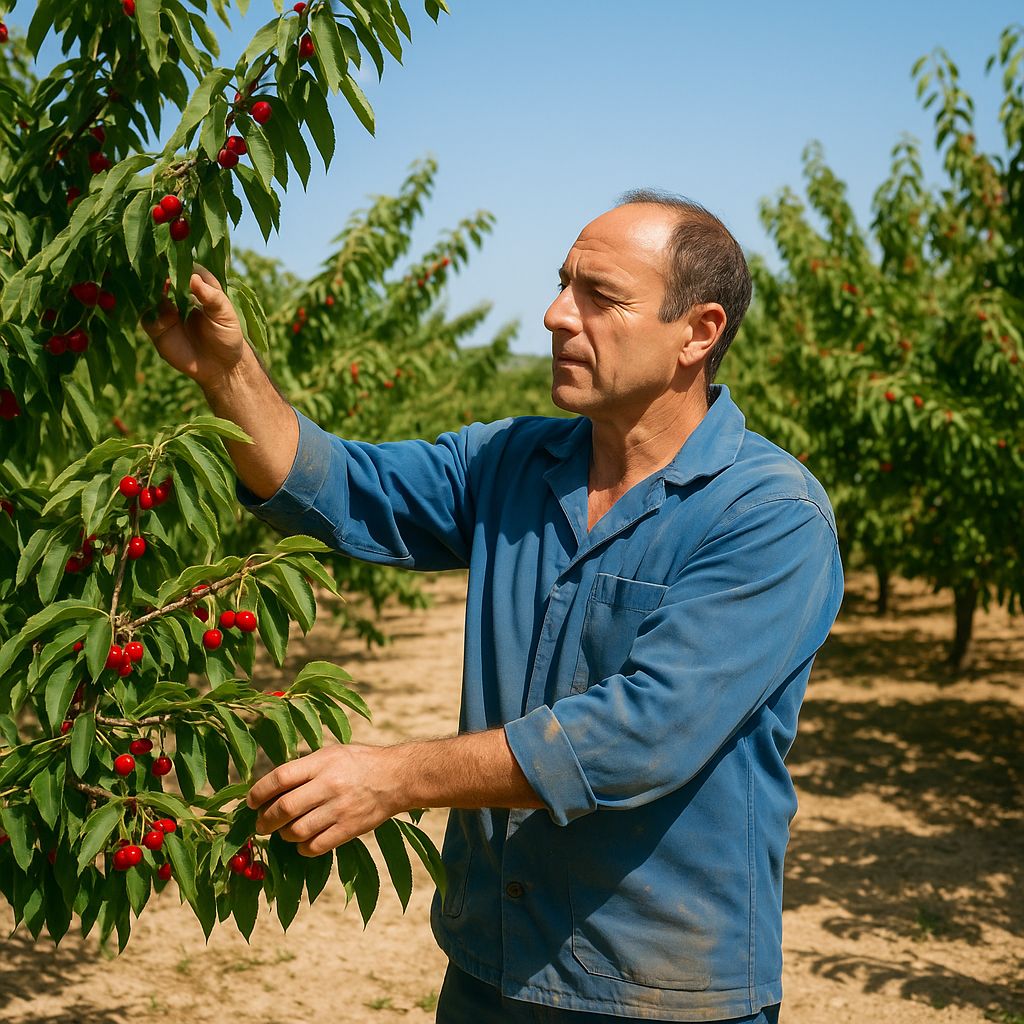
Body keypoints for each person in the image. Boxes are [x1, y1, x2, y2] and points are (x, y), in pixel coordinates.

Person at [142, 189, 843, 1023]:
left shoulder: (767, 514)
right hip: (491, 963)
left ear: (699, 332)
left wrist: (397, 777)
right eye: (562, 284)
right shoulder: (513, 462)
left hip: (657, 988)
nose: (555, 315)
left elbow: (640, 736)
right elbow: (339, 487)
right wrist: (228, 371)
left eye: (600, 297)